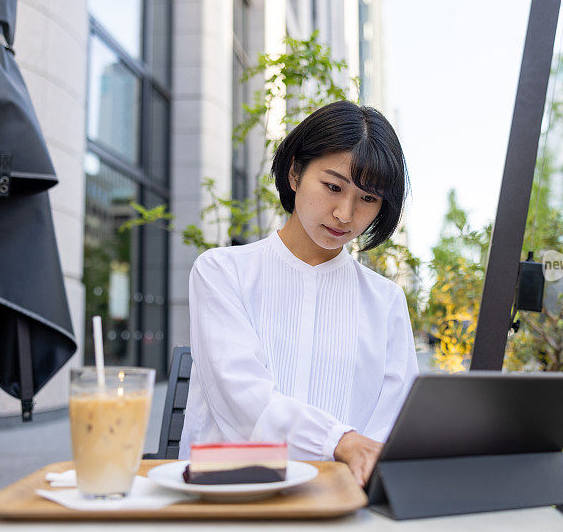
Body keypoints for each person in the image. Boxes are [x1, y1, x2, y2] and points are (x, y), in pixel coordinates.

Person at [179, 101, 419, 488]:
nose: (345, 213)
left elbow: (390, 428)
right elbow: (241, 400)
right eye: (333, 187)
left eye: (368, 199)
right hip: (231, 502)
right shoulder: (223, 273)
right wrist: (339, 441)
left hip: (342, 506)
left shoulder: (386, 301)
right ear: (294, 173)